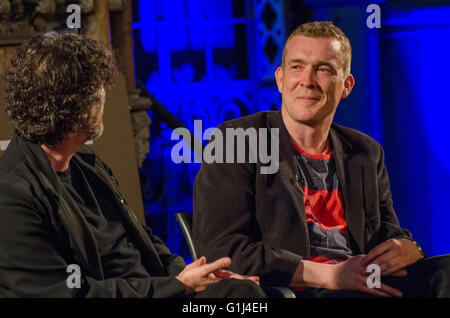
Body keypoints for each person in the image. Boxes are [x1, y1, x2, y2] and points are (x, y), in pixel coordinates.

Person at [193, 21, 450, 298]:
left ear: (346, 85)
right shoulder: (236, 141)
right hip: (295, 290)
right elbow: (222, 251)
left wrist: (409, 248)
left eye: (324, 69)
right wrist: (332, 276)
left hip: (367, 282)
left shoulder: (365, 152)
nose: (307, 80)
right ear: (280, 79)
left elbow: (387, 234)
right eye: (297, 67)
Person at [0, 31, 266, 298]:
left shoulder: (87, 165)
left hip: (155, 290)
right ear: (76, 106)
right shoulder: (12, 195)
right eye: (98, 89)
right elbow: (69, 294)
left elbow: (141, 241)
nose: (105, 96)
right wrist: (177, 286)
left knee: (243, 294)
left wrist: (195, 274)